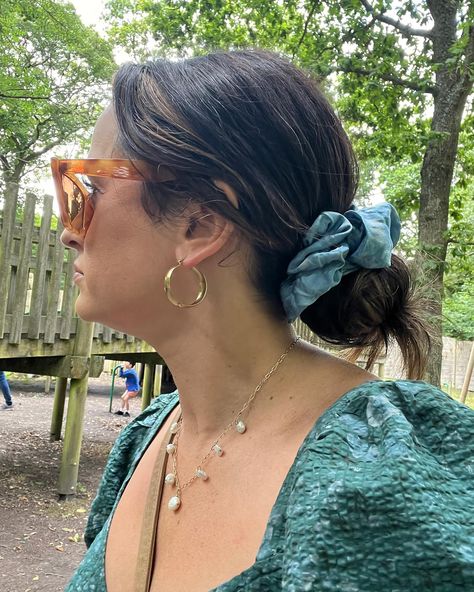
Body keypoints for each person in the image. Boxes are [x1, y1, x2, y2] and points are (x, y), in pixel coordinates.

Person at [52, 50, 474, 591]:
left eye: (87, 186)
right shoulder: (146, 439)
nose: (68, 229)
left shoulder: (383, 467)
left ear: (200, 225)